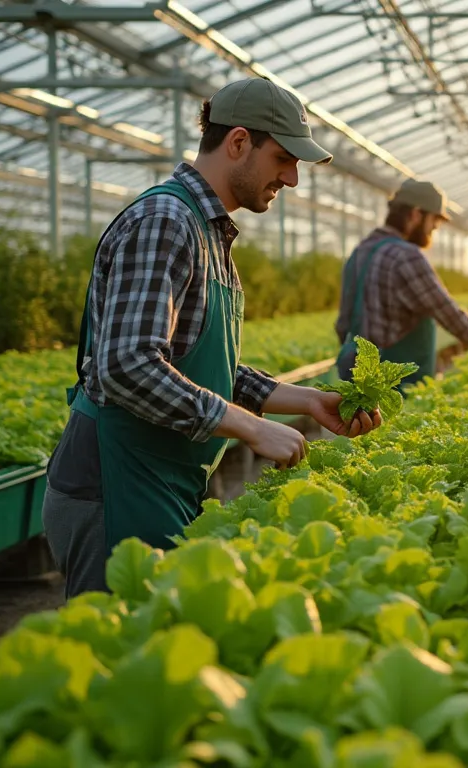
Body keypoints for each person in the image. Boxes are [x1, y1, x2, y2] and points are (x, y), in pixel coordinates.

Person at [43, 78, 381, 599]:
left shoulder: (206, 230)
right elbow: (128, 365)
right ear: (239, 143)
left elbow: (199, 364)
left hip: (157, 476)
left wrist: (308, 400)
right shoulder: (166, 220)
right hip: (113, 482)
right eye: (284, 159)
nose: (291, 179)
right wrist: (249, 427)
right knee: (115, 657)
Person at [336, 178, 468, 389]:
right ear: (416, 214)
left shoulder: (360, 252)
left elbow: (343, 324)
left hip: (359, 379)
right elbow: (447, 312)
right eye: (433, 223)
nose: (432, 230)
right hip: (399, 386)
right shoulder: (406, 256)